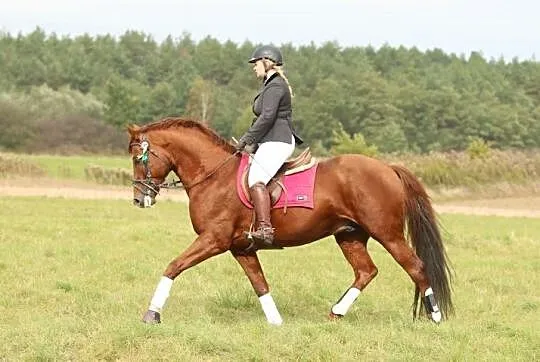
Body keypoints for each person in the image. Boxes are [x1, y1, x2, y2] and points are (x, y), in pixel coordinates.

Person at [236, 44, 303, 246]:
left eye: (255, 63)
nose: (253, 67)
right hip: (270, 139)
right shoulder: (270, 84)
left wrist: (247, 138)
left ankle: (265, 229)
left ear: (266, 62)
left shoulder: (275, 86)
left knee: (256, 178)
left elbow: (267, 117)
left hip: (278, 139)